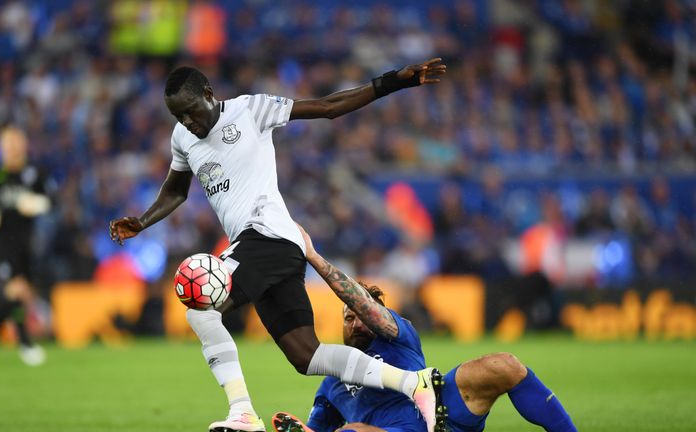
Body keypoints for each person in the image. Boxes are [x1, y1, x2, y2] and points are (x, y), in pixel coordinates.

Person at [109, 59, 447, 432]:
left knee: (200, 307)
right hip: (270, 249)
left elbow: (328, 107)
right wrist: (141, 221)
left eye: (190, 112)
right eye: (178, 116)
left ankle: (242, 412)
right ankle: (413, 382)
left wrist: (390, 83)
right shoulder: (182, 138)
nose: (187, 122)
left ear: (209, 94)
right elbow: (176, 191)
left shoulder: (249, 109)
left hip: (268, 233)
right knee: (307, 355)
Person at [271, 226, 577, 432]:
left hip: (439, 418)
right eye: (348, 318)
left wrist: (315, 258)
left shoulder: (397, 334)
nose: (357, 322)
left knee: (504, 365)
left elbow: (369, 311)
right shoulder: (332, 381)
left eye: (362, 315)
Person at [0, 126, 52, 367]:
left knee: (20, 294)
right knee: (17, 289)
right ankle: (16, 342)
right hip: (2, 242)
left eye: (18, 143)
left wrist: (37, 203)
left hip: (26, 242)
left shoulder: (33, 173)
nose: (14, 148)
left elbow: (51, 200)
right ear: (2, 148)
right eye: (9, 144)